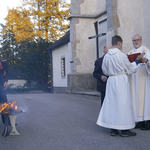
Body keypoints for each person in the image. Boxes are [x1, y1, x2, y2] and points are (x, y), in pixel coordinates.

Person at [96, 35, 139, 137]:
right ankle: (124, 130)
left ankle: (113, 129)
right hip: (121, 81)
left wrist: (111, 73)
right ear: (119, 43)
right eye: (122, 44)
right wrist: (136, 61)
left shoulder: (106, 56)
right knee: (123, 105)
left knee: (112, 104)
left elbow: (105, 70)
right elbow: (130, 69)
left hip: (111, 81)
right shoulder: (121, 55)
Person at [128, 34, 150, 130]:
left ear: (141, 40)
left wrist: (146, 61)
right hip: (134, 80)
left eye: (137, 40)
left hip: (144, 79)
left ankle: (147, 122)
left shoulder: (146, 51)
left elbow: (149, 63)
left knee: (145, 100)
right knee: (136, 100)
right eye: (134, 40)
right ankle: (139, 121)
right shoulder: (130, 52)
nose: (136, 42)